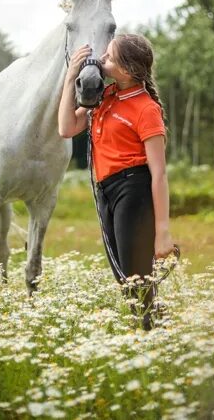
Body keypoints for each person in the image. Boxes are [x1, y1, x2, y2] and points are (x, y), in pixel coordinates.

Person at [58, 33, 176, 330]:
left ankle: (153, 337)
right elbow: (66, 127)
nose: (100, 60)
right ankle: (152, 335)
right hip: (106, 191)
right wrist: (71, 75)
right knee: (126, 280)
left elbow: (159, 173)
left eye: (108, 57)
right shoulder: (106, 97)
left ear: (127, 70)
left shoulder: (146, 108)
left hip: (133, 190)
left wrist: (162, 233)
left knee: (136, 279)